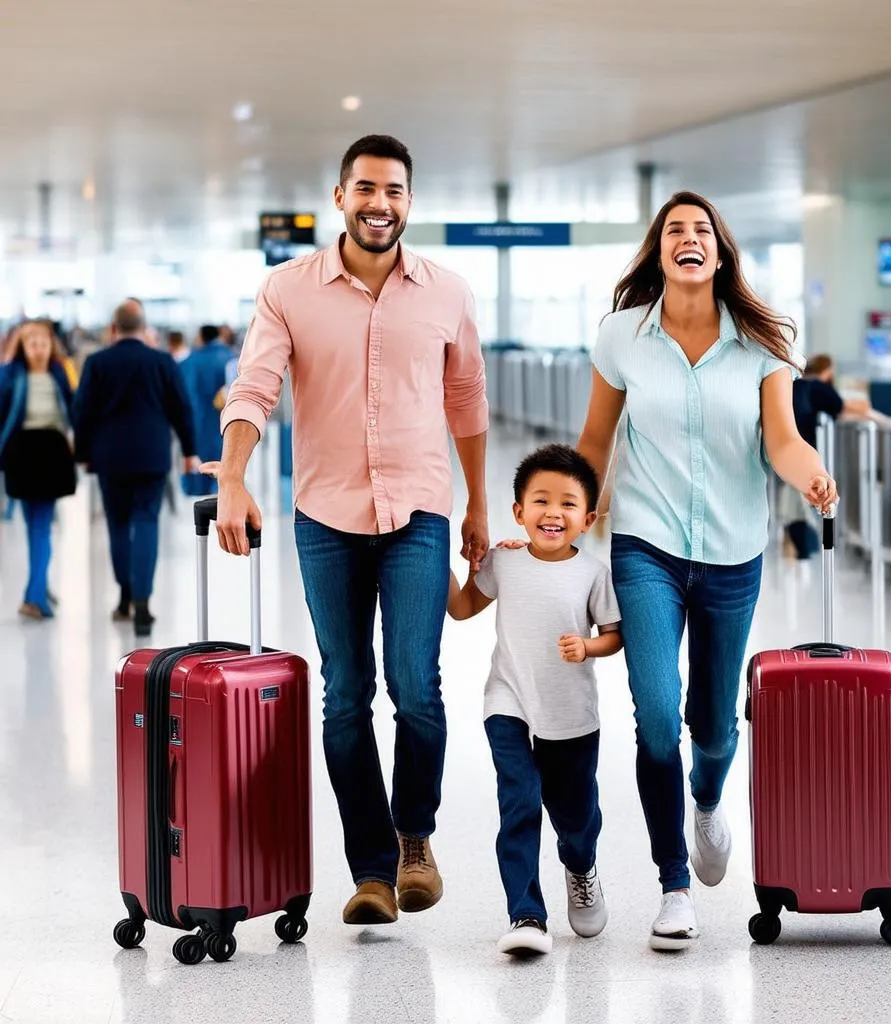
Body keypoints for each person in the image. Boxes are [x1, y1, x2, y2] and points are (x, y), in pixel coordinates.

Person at [211, 134, 489, 927]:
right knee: (344, 696)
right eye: (366, 188)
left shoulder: (447, 290)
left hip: (421, 513)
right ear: (340, 197)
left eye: (396, 190)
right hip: (326, 515)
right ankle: (369, 869)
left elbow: (466, 399)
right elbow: (255, 387)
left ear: (410, 200)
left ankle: (413, 841)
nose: (381, 203)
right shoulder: (288, 289)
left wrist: (476, 505)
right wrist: (233, 476)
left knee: (417, 688)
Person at [576, 190, 838, 950]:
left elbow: (782, 441)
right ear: (659, 252)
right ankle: (672, 884)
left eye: (701, 232)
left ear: (720, 253)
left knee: (713, 726)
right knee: (657, 719)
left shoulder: (762, 343)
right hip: (646, 545)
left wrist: (810, 473)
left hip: (731, 551)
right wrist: (565, 510)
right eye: (673, 232)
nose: (687, 240)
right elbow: (596, 439)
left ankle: (706, 799)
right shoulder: (622, 335)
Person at [448, 444, 622, 957]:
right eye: (541, 501)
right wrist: (440, 556)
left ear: (587, 518)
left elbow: (614, 634)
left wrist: (587, 646)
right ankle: (526, 912)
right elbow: (461, 609)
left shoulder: (592, 573)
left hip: (570, 713)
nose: (553, 513)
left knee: (575, 814)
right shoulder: (504, 560)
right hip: (509, 699)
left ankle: (580, 862)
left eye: (568, 504)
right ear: (519, 512)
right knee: (519, 800)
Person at [72, 301, 199, 636]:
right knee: (146, 522)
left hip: (110, 457)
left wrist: (82, 452)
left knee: (117, 524)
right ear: (144, 329)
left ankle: (125, 597)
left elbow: (82, 411)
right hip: (152, 456)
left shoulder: (98, 363)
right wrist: (189, 452)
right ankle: (144, 603)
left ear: (114, 329)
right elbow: (181, 408)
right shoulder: (161, 361)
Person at [0, 320, 77, 619]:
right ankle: (36, 594)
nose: (39, 349)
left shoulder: (59, 372)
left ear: (51, 345)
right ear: (22, 346)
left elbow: (73, 408)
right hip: (22, 451)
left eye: (43, 343)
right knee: (35, 528)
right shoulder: (9, 375)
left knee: (41, 527)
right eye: (32, 344)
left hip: (52, 452)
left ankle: (36, 593)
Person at [781, 353, 874, 559]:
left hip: (787, 455)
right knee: (800, 506)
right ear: (828, 371)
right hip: (800, 455)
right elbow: (841, 406)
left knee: (793, 504)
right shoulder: (815, 387)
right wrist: (868, 411)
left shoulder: (793, 384)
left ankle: (797, 548)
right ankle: (803, 550)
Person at [179, 325, 234, 496]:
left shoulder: (190, 361)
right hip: (225, 420)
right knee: (224, 454)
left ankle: (196, 488)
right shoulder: (231, 358)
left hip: (197, 420)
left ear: (201, 337)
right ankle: (221, 488)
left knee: (199, 458)